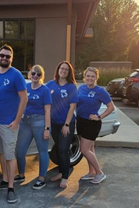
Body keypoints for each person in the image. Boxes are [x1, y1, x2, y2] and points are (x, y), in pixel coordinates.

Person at [0, 44, 28, 204]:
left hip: (9, 123)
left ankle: (11, 188)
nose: (4, 58)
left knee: (10, 156)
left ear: (11, 58)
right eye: (2, 55)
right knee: (1, 153)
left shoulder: (16, 75)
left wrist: (17, 120)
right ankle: (4, 180)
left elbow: (24, 98)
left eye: (7, 56)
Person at [15, 65, 52, 190]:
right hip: (25, 122)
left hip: (40, 121)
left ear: (41, 76)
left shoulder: (45, 90)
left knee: (42, 151)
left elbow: (47, 111)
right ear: (29, 74)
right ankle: (21, 174)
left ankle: (41, 178)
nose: (35, 76)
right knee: (19, 151)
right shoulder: (25, 87)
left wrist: (47, 128)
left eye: (38, 74)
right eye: (33, 73)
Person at [77, 67, 114, 184]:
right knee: (90, 149)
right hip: (80, 121)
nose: (90, 78)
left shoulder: (100, 91)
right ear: (84, 77)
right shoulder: (81, 88)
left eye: (93, 76)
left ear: (96, 78)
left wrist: (99, 117)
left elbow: (111, 107)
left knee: (84, 149)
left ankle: (99, 173)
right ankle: (91, 172)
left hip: (92, 123)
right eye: (88, 76)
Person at [46, 61, 78, 189]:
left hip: (66, 124)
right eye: (61, 68)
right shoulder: (50, 84)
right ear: (58, 70)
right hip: (54, 123)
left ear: (69, 72)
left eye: (66, 69)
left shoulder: (71, 86)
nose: (63, 71)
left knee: (64, 150)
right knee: (59, 149)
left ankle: (65, 177)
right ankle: (60, 173)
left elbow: (72, 107)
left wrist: (66, 124)